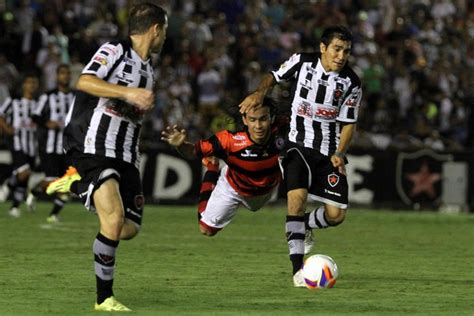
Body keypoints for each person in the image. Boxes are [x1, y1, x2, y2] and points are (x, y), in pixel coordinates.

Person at [46, 3, 168, 311]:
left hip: (127, 154)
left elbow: (128, 110)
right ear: (155, 28)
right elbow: (84, 81)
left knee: (128, 229)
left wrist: (136, 104)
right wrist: (128, 94)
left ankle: (74, 185)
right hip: (93, 146)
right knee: (113, 221)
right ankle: (104, 298)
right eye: (164, 30)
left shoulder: (148, 67)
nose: (165, 36)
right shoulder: (115, 49)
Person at [239, 26, 362, 287]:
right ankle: (298, 271)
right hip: (296, 145)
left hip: (327, 153)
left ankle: (302, 224)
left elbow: (348, 123)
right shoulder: (302, 62)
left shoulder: (351, 82)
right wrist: (259, 93)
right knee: (296, 200)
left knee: (336, 215)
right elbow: (272, 77)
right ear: (323, 48)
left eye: (346, 51)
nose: (341, 56)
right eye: (337, 49)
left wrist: (340, 152)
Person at [161, 98, 283, 236]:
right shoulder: (228, 140)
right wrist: (181, 145)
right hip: (234, 186)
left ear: (271, 118)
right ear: (244, 120)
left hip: (268, 188)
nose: (258, 126)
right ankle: (212, 168)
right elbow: (193, 152)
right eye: (252, 120)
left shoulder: (285, 133)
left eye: (263, 119)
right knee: (206, 230)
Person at [31, 64, 75, 223]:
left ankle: (52, 213)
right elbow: (35, 116)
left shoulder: (74, 97)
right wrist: (47, 122)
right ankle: (35, 192)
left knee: (67, 183)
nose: (66, 76)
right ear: (57, 76)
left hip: (67, 147)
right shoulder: (47, 96)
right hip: (50, 146)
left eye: (68, 73)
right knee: (52, 180)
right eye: (63, 73)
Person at [0, 72, 40, 218]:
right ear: (24, 85)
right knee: (24, 172)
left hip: (32, 145)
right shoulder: (14, 101)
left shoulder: (38, 104)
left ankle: (14, 207)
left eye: (34, 83)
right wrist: (7, 128)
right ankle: (7, 185)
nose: (32, 85)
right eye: (29, 82)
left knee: (24, 178)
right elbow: (1, 114)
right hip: (17, 142)